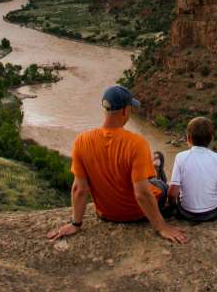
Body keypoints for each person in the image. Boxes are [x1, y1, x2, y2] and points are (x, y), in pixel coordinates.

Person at [47, 85, 187, 243]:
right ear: (125, 111)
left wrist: (76, 223)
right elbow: (142, 194)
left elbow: (79, 188)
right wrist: (162, 227)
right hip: (138, 213)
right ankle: (156, 172)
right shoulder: (137, 144)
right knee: (161, 185)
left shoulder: (81, 141)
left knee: (148, 180)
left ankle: (153, 170)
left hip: (106, 214)